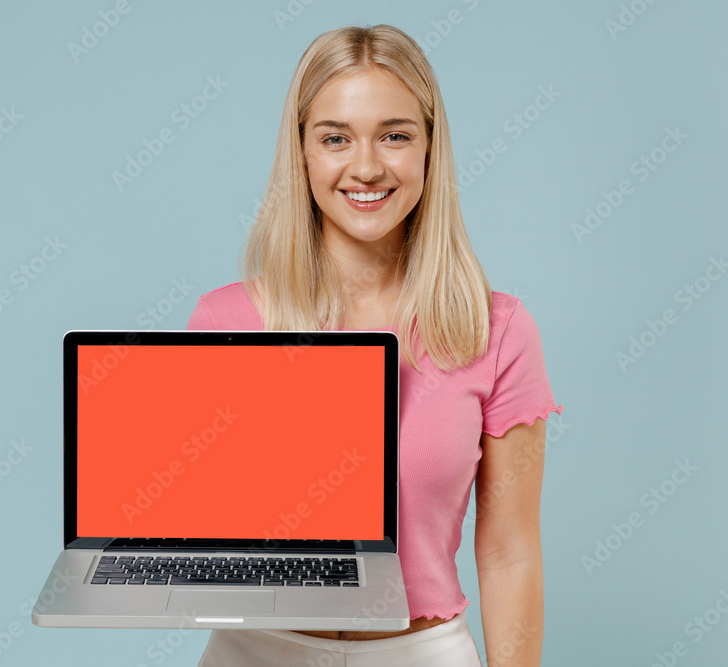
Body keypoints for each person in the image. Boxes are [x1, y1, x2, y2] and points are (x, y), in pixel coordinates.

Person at [185, 24, 563, 666]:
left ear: (428, 149)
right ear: (301, 153)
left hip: (421, 651)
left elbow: (509, 553)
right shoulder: (228, 319)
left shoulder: (495, 330)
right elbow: (194, 522)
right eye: (335, 138)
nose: (365, 167)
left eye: (395, 135)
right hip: (256, 649)